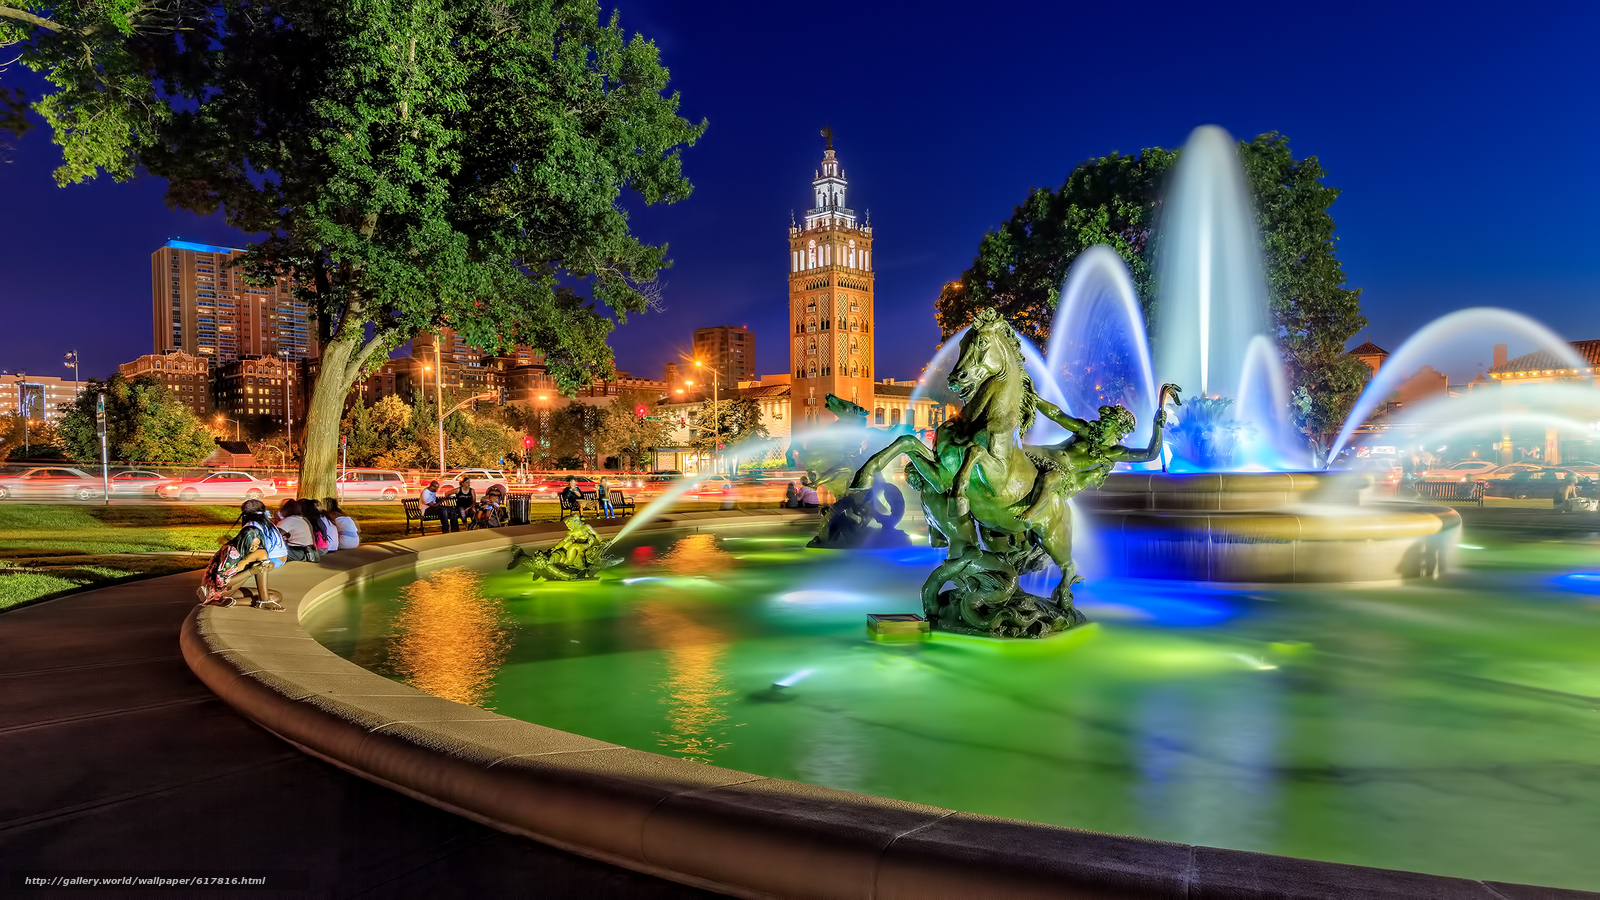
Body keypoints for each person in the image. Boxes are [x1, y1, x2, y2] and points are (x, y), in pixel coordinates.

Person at [198, 498, 288, 610]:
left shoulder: (254, 529)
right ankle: (262, 601)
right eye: (252, 546)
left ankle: (230, 602)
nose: (255, 548)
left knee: (276, 596)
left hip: (229, 591)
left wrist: (268, 564)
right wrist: (250, 571)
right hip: (214, 591)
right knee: (262, 555)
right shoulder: (231, 552)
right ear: (244, 541)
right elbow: (221, 583)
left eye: (257, 545)